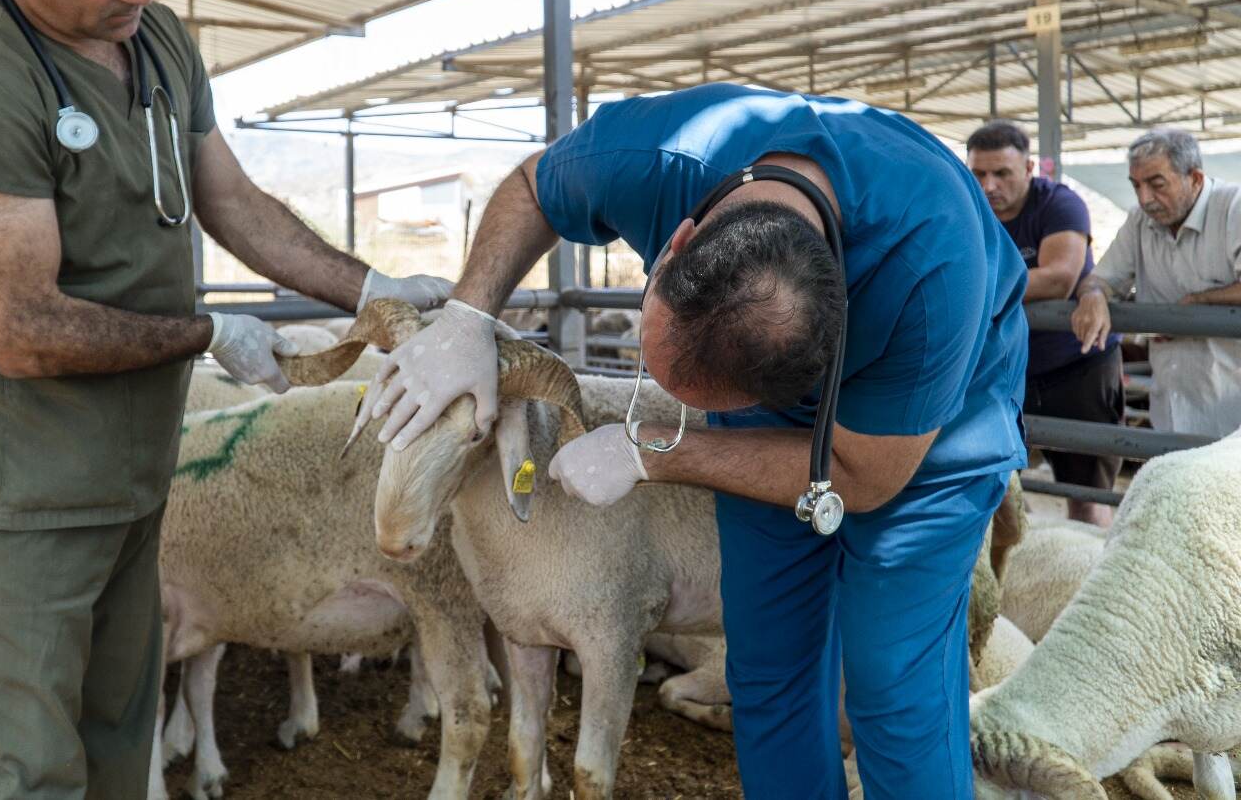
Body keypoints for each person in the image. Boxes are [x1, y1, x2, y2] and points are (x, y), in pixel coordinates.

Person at [0, 0, 450, 800]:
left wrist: (369, 288)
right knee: (30, 761)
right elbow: (21, 328)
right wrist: (208, 330)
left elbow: (227, 197)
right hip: (25, 486)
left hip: (136, 468)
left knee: (119, 733)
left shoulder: (157, 40)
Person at [361, 84, 1028, 800]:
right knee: (767, 665)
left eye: (714, 399)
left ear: (830, 342)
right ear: (676, 242)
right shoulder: (652, 158)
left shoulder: (927, 276)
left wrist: (654, 452)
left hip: (926, 433)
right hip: (765, 401)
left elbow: (863, 477)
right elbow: (533, 186)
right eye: (663, 360)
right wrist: (468, 313)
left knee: (893, 687)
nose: (676, 398)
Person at [966, 120, 1122, 526]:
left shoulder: (1060, 204)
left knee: (1085, 497)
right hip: (1005, 372)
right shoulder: (969, 208)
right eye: (979, 173)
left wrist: (972, 289)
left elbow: (1058, 278)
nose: (988, 186)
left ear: (1030, 168)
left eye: (1002, 173)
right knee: (999, 490)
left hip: (1077, 366)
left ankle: (1087, 582)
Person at [1072, 127, 1241, 438]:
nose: (1145, 198)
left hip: (1232, 408)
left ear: (1196, 179)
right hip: (1172, 405)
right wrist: (1093, 295)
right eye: (1136, 185)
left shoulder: (1233, 208)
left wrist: (1197, 304)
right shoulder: (1139, 221)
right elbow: (1102, 277)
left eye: (1156, 184)